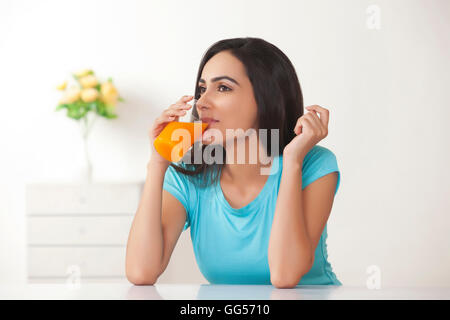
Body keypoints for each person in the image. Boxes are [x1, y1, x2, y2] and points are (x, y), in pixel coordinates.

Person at [126, 37, 341, 289]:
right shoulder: (189, 175)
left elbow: (284, 276)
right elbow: (141, 272)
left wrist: (292, 163)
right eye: (202, 89)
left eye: (223, 88)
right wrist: (157, 162)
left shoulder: (313, 165)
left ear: (266, 96)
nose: (202, 102)